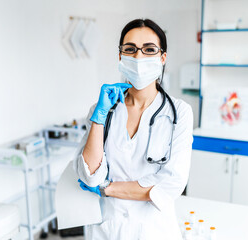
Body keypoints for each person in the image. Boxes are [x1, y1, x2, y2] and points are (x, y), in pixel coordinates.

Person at [73, 18, 193, 240]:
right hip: (107, 229)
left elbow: (171, 185)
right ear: (121, 56)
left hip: (155, 230)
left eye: (149, 49)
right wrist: (99, 118)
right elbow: (89, 177)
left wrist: (107, 188)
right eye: (130, 49)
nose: (138, 57)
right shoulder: (102, 110)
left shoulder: (179, 113)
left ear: (162, 57)